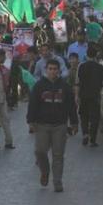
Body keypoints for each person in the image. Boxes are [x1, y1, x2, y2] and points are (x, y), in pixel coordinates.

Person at [27, 59, 78, 192]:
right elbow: (32, 104)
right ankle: (45, 171)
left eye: (55, 69)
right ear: (46, 70)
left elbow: (72, 106)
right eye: (50, 69)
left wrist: (74, 122)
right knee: (40, 151)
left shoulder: (65, 87)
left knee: (58, 155)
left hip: (60, 126)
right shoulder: (39, 86)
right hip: (42, 125)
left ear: (59, 71)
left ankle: (57, 181)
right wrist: (30, 121)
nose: (52, 71)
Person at [77, 46, 103, 147]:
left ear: (87, 54)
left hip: (83, 95)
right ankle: (92, 139)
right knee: (95, 118)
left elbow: (78, 82)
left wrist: (77, 97)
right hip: (95, 96)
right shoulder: (100, 67)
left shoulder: (81, 66)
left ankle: (85, 133)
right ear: (95, 55)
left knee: (83, 115)